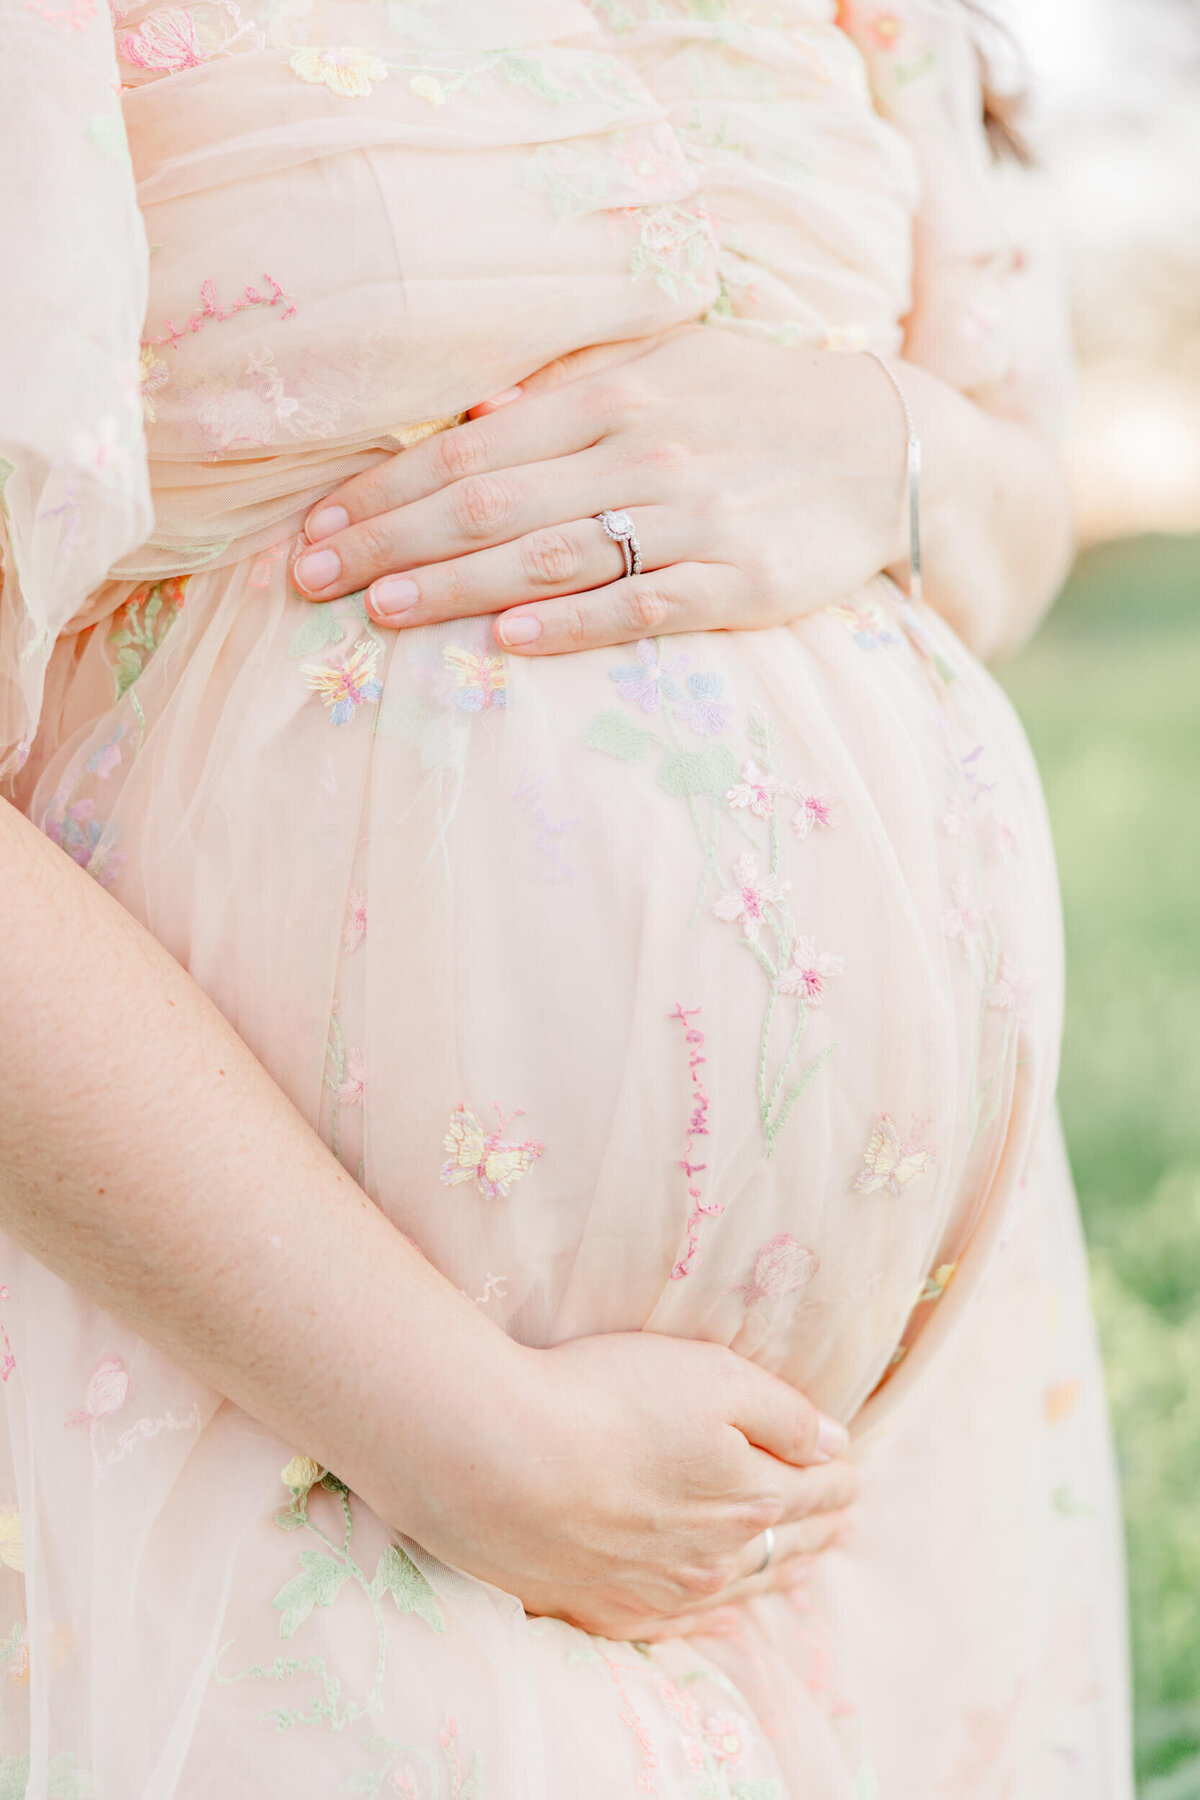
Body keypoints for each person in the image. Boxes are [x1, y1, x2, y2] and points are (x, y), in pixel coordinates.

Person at [0, 0, 1131, 1792]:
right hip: (270, 1410)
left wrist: (873, 443)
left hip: (856, 1500)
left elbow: (1015, 509)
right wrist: (484, 1443)